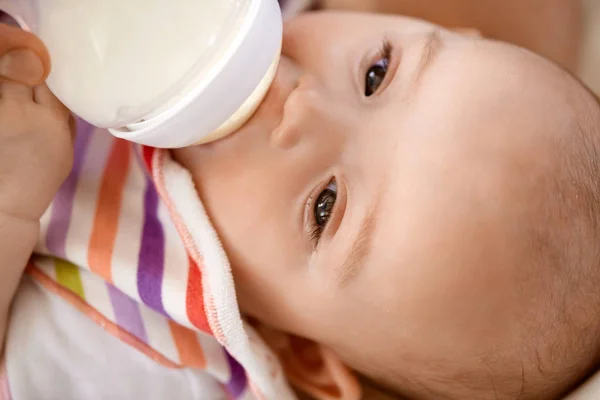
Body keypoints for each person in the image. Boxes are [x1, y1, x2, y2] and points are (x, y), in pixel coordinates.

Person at [1, 2, 600, 400]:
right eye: (377, 73)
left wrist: (9, 209)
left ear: (301, 353)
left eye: (326, 205)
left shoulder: (161, 358)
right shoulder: (245, 22)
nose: (302, 103)